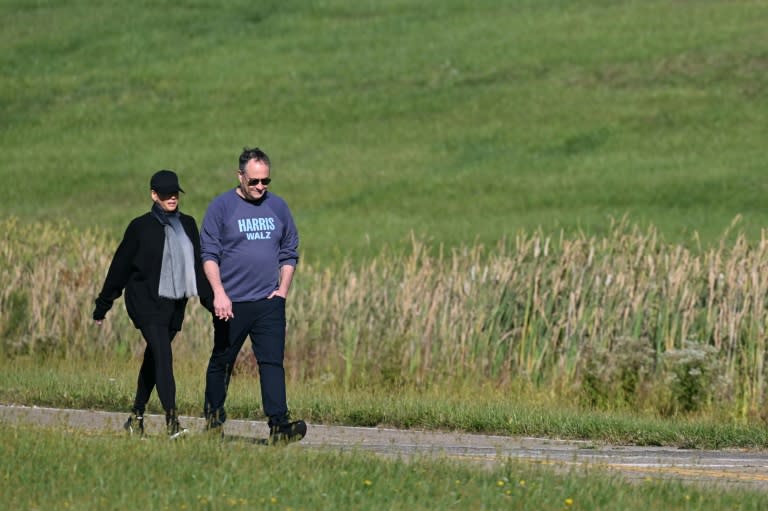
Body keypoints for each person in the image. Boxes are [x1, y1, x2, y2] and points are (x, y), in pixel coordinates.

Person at [93, 169, 211, 439]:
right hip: (145, 302)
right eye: (166, 194)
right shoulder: (140, 227)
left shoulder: (188, 225)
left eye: (175, 193)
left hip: (173, 306)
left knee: (154, 358)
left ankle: (136, 417)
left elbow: (197, 269)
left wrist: (214, 304)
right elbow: (119, 268)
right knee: (164, 357)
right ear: (153, 195)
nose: (172, 198)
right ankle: (172, 423)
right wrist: (103, 305)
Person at [200, 146, 306, 444]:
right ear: (240, 176)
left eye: (265, 182)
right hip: (231, 303)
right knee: (222, 362)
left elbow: (289, 251)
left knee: (271, 363)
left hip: (268, 303)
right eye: (254, 181)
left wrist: (282, 291)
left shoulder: (278, 207)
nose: (260, 187)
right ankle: (213, 422)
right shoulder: (221, 207)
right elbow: (208, 253)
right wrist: (219, 293)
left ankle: (279, 426)